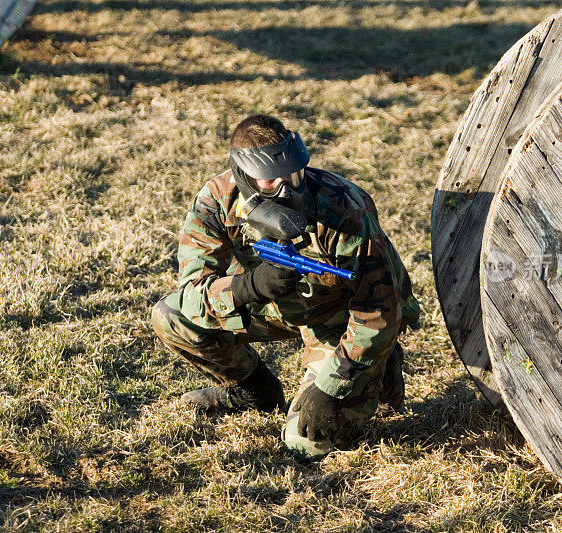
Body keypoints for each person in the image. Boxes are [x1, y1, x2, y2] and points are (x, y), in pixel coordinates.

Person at [151, 114, 420, 460]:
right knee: (170, 316)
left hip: (338, 319)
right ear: (244, 176)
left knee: (305, 442)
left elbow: (380, 311)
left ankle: (379, 366)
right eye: (270, 181)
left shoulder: (342, 208)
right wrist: (248, 287)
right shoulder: (217, 201)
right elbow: (191, 295)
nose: (287, 188)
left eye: (293, 175)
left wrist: (331, 389)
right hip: (270, 308)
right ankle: (255, 393)